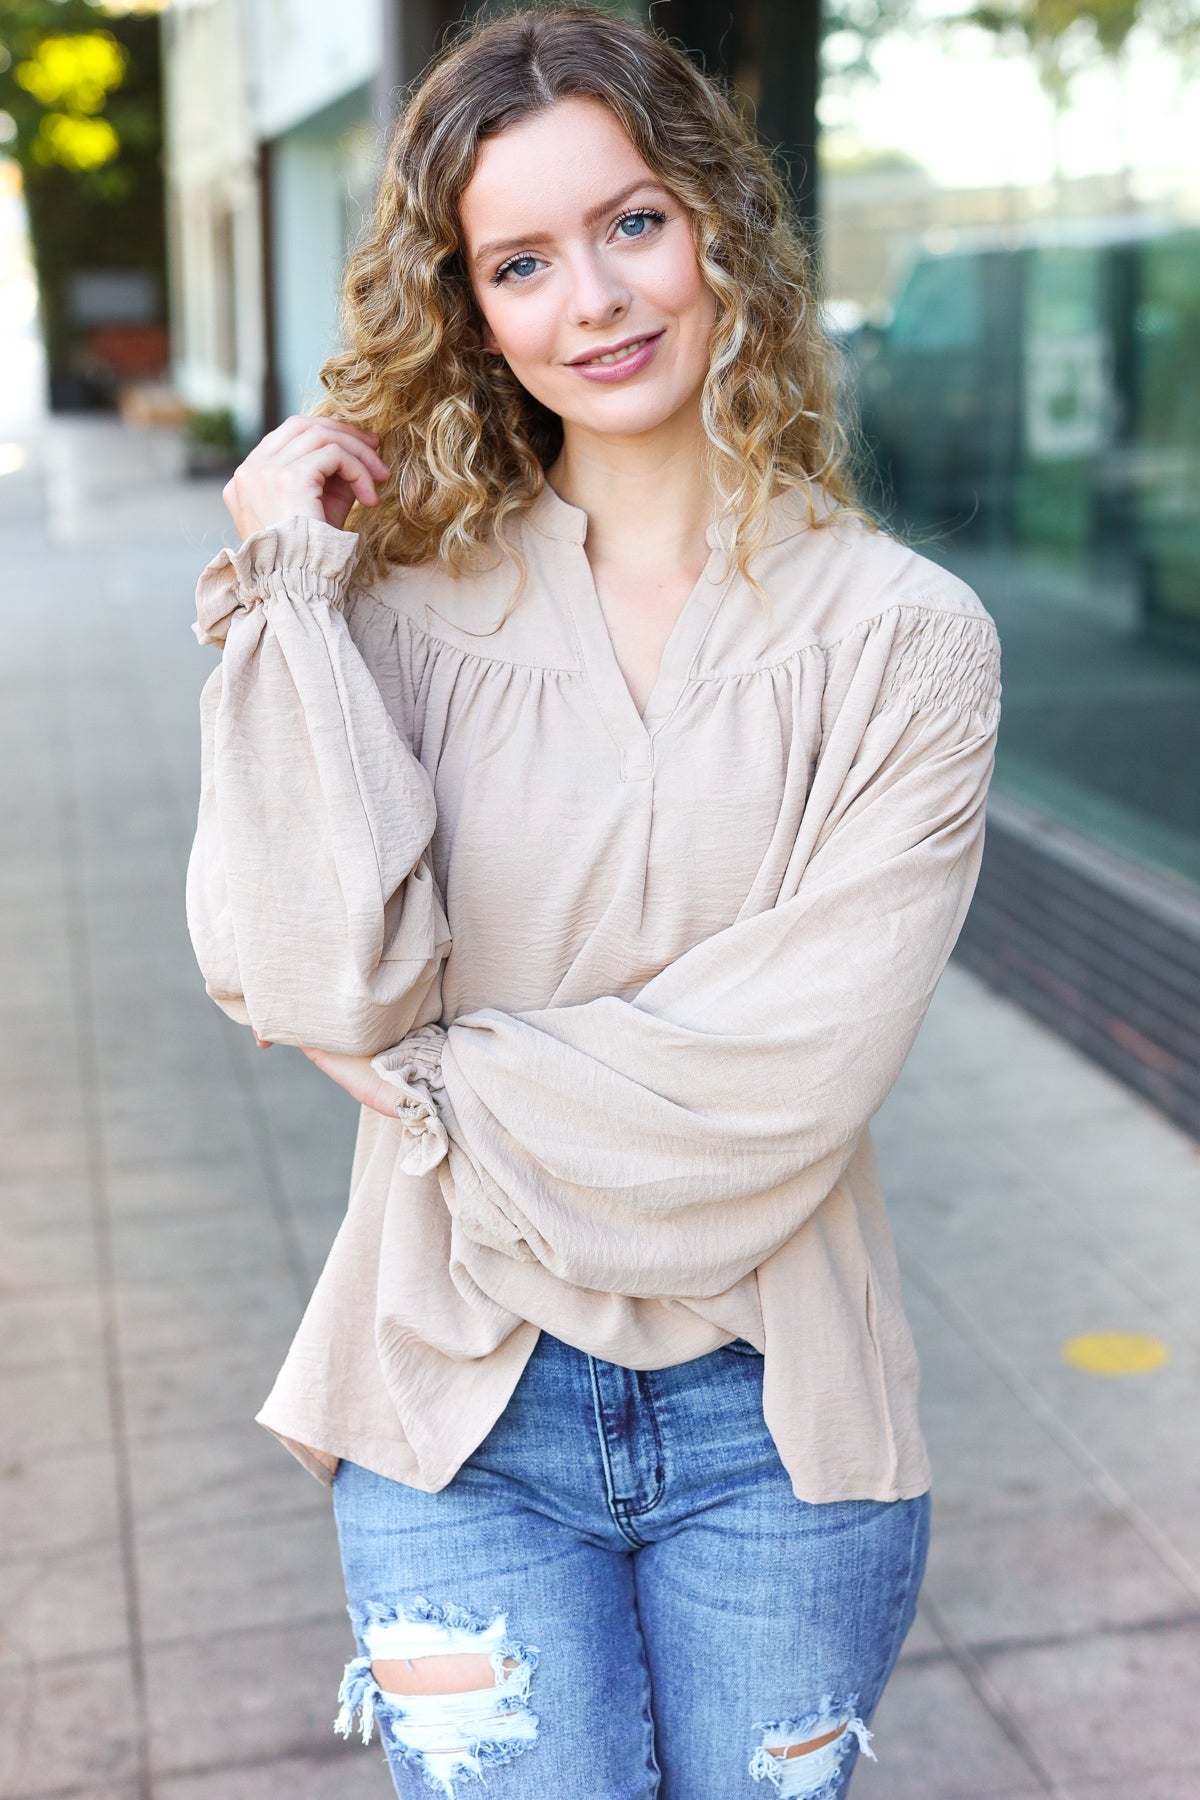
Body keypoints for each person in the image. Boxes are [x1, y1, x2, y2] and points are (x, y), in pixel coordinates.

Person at [185, 8, 1000, 1797]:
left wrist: (419, 1082)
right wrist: (289, 591)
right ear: (473, 311)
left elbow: (775, 1092)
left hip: (773, 1434)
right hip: (447, 1403)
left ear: (717, 225)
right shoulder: (387, 617)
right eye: (523, 260)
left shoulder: (903, 641)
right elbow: (299, 967)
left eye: (632, 222)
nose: (598, 299)